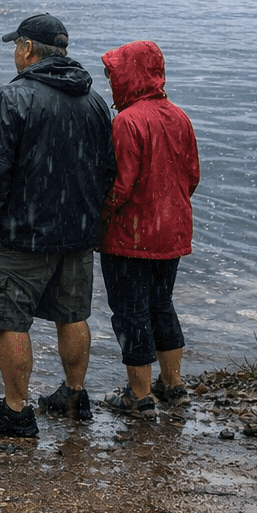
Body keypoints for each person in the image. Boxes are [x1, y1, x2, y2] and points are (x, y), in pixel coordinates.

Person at [0, 13, 116, 437]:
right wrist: (88, 221)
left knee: (11, 321)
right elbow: (107, 171)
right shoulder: (94, 101)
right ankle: (74, 394)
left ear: (28, 49)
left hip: (20, 235)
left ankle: (16, 411)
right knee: (73, 315)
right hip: (77, 234)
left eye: (16, 46)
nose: (15, 52)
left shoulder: (11, 99)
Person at [98, 40, 200, 419]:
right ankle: (174, 386)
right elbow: (192, 177)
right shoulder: (179, 116)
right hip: (171, 234)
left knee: (130, 313)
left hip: (131, 237)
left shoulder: (127, 122)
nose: (111, 81)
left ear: (131, 74)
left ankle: (139, 396)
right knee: (161, 305)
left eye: (114, 74)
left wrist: (97, 219)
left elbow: (119, 188)